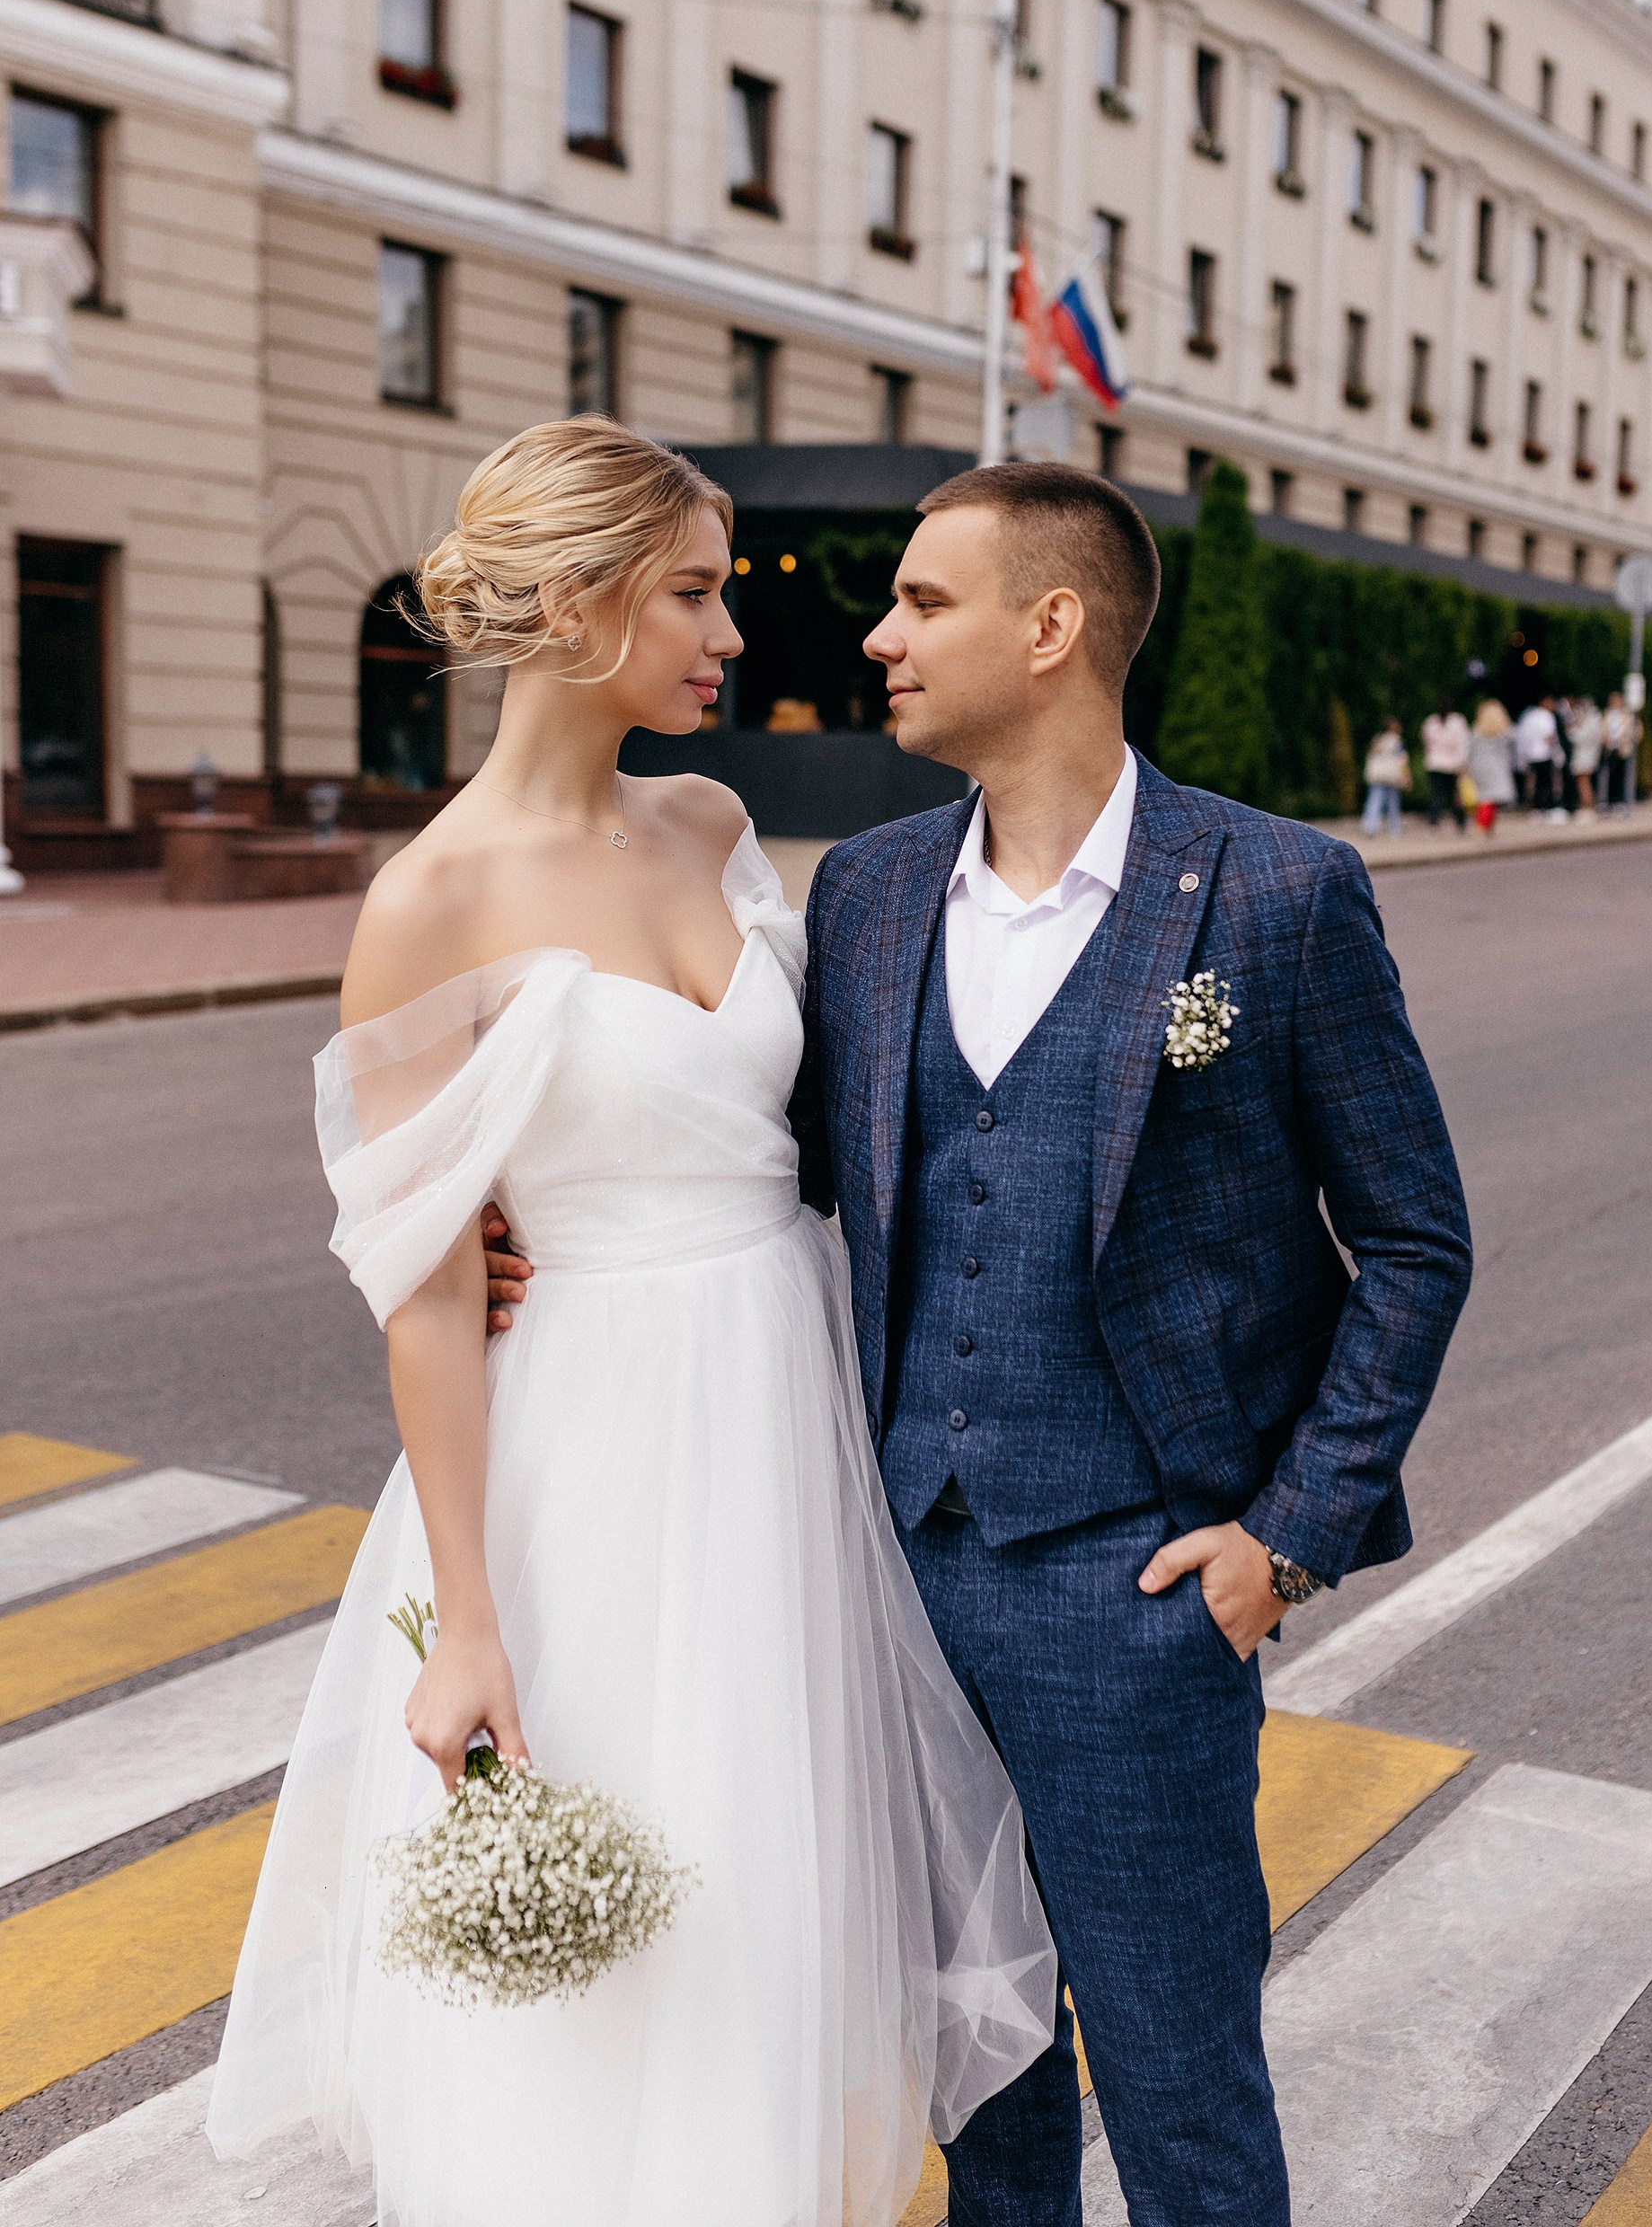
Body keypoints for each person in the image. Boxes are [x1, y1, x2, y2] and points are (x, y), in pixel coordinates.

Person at [485, 462, 1476, 2227]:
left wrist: (1285, 1541)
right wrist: (525, 1212)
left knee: (1179, 2086)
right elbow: (765, 1171)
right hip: (885, 1591)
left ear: (1051, 627)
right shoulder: (866, 897)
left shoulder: (1275, 893)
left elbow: (1413, 1240)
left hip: (1142, 1598)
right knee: (978, 2086)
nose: (877, 636)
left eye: (924, 604)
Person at [208, 420, 1056, 2227]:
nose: (730, 636)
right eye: (693, 594)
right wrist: (469, 1622)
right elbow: (429, 1300)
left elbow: (797, 1127)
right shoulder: (429, 902)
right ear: (581, 599)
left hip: (784, 1422)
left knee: (765, 1889)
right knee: (608, 1942)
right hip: (588, 1457)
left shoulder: (712, 823)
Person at [1468, 696, 1516, 834]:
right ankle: (1483, 826)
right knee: (1489, 799)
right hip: (1498, 768)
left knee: (1484, 797)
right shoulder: (1506, 733)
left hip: (1480, 768)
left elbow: (1469, 751)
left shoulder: (1476, 732)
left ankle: (1486, 826)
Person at [1421, 701, 1471, 830]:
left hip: (1435, 763)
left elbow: (1426, 742)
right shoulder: (1457, 722)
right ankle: (1460, 822)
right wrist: (1463, 763)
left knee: (1436, 795)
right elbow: (1463, 744)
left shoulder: (1430, 722)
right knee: (1456, 795)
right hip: (1452, 764)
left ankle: (1434, 822)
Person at [1513, 688, 1563, 816]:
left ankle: (1536, 807)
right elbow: (1549, 737)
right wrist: (1557, 753)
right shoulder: (1546, 716)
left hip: (1531, 755)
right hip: (1544, 754)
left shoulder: (1529, 715)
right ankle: (1547, 806)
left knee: (1535, 782)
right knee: (1546, 782)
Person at [1361, 715, 1411, 835]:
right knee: (1393, 803)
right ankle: (1395, 828)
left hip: (1377, 775)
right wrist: (1406, 777)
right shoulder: (1397, 741)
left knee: (1374, 801)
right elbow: (1402, 760)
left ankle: (1370, 826)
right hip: (1391, 775)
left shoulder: (1377, 740)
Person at [1566, 694, 1604, 817]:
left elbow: (1580, 737)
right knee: (1584, 781)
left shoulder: (1588, 719)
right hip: (1588, 754)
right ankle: (1587, 806)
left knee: (1583, 781)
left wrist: (1573, 729)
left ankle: (1587, 807)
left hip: (1584, 754)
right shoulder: (1595, 718)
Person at [1599, 690, 1637, 809]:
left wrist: (1624, 740)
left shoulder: (1628, 715)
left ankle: (1621, 802)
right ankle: (1609, 802)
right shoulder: (1607, 714)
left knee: (1622, 776)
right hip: (1610, 749)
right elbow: (1601, 730)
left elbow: (1635, 731)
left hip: (1622, 749)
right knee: (1610, 777)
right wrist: (1604, 740)